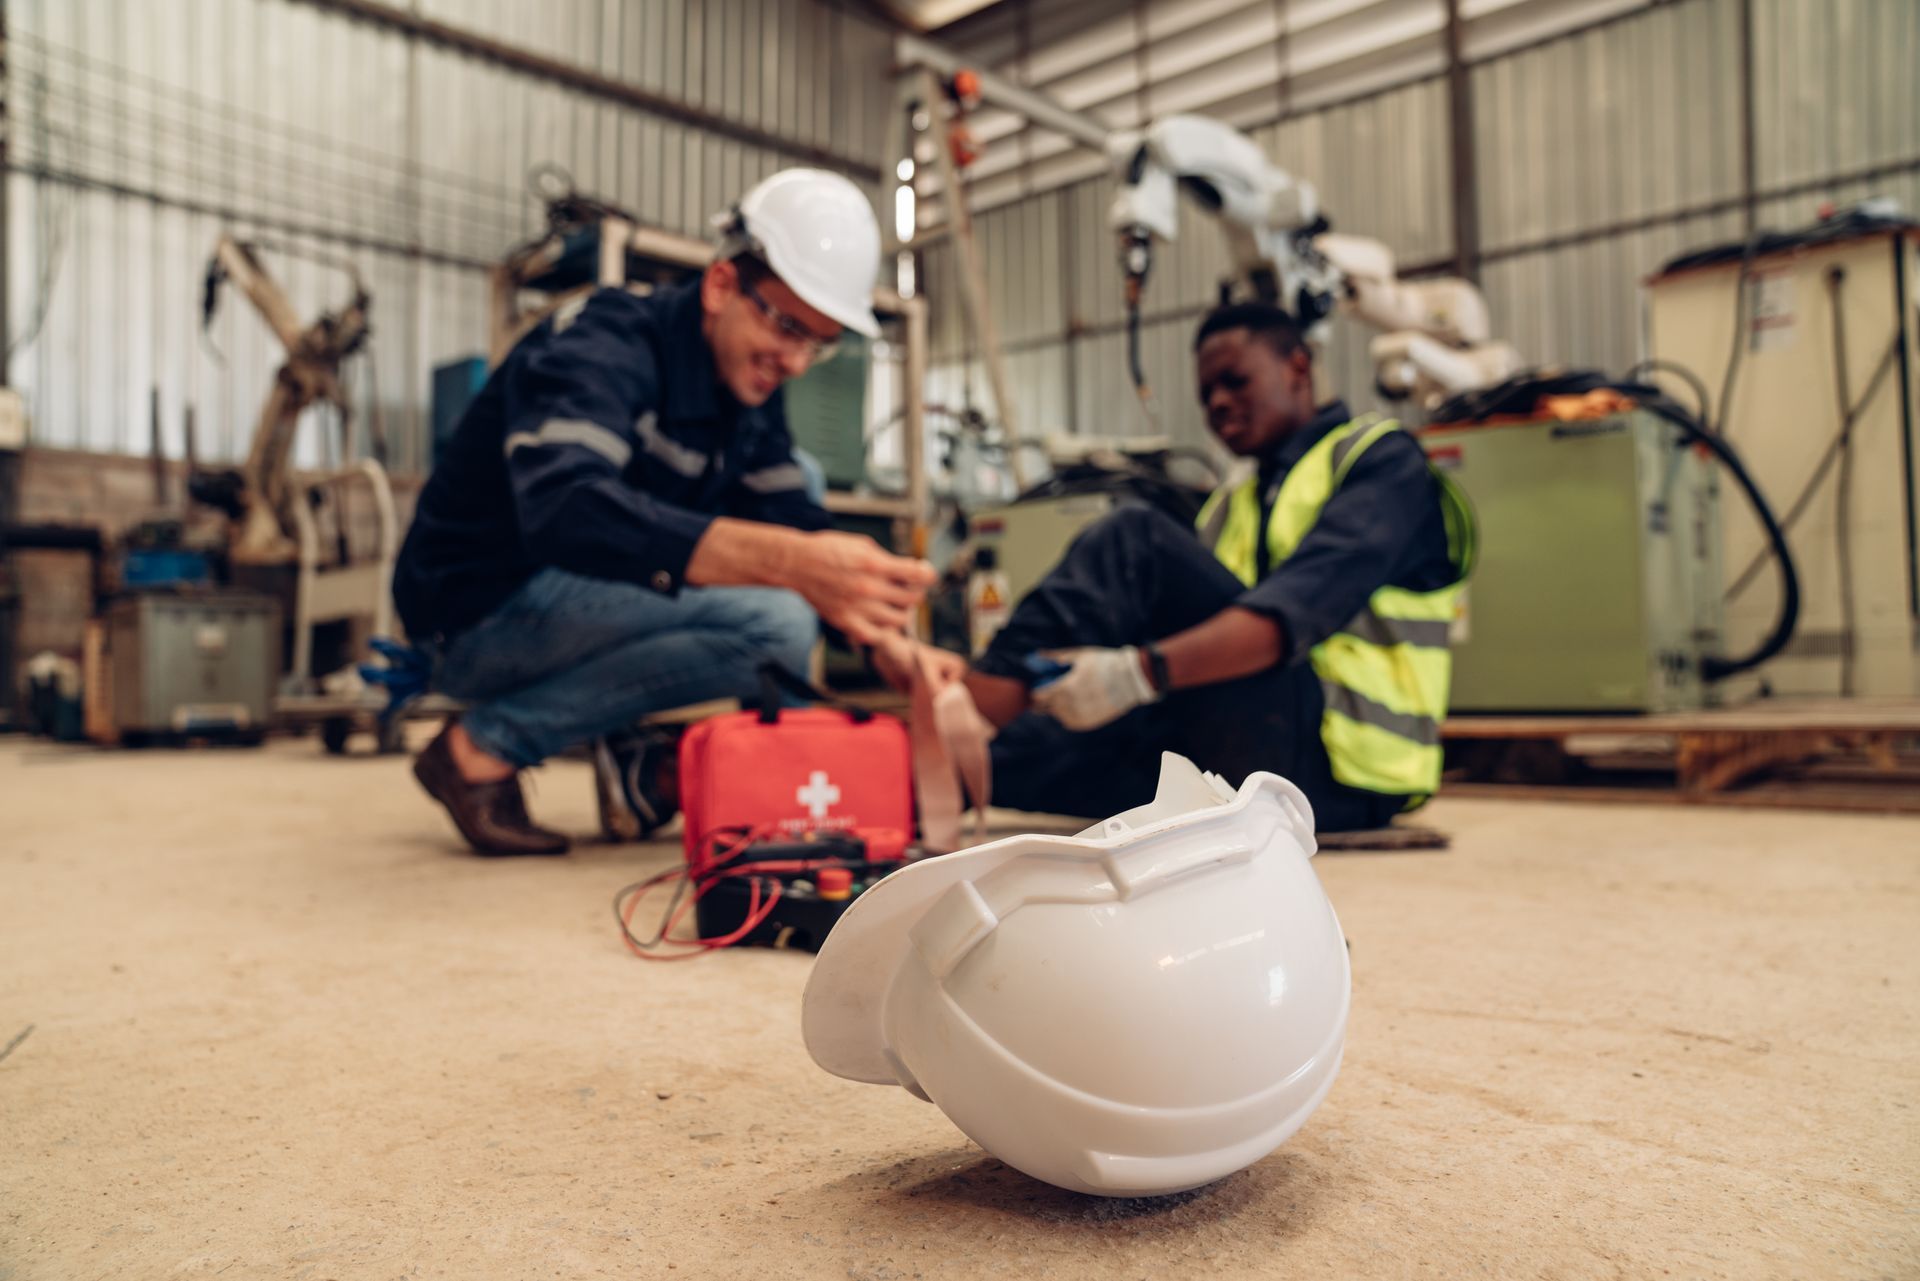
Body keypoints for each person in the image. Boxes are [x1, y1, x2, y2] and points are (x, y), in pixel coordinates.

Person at [394, 169, 935, 857]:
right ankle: (481, 749)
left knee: (800, 484)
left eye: (816, 341)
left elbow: (789, 513)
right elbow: (567, 508)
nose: (797, 361)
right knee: (774, 622)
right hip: (472, 613)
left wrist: (887, 639)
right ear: (720, 286)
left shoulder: (747, 385)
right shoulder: (603, 341)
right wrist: (795, 567)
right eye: (789, 325)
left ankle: (644, 764)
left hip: (568, 605)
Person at [886, 301, 1475, 832]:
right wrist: (1086, 681)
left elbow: (1284, 620)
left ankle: (972, 701)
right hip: (1243, 755)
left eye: (1235, 381)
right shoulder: (1232, 503)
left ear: (1298, 367)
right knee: (1025, 755)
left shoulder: (1377, 461)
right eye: (1206, 394)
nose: (1218, 403)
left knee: (1132, 538)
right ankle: (888, 773)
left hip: (1338, 771)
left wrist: (1135, 674)